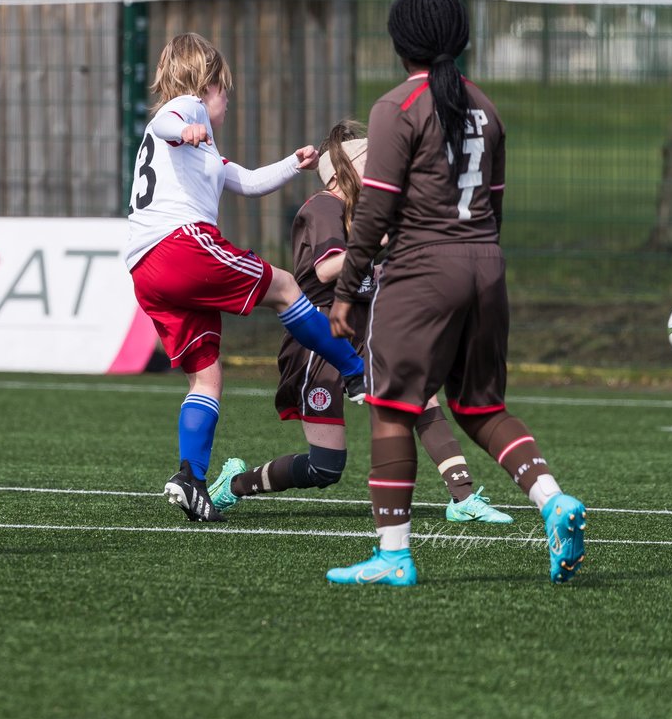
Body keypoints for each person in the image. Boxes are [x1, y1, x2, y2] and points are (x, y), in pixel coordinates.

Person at [324, 0, 586, 586]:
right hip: (485, 264)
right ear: (461, 40)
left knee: (392, 407)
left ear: (399, 44)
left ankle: (392, 555)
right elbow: (494, 207)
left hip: (422, 271)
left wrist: (348, 291)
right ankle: (552, 500)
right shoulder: (486, 108)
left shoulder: (397, 106)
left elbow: (376, 212)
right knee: (480, 405)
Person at [209, 121, 512, 525]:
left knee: (422, 396)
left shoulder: (365, 212)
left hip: (366, 333)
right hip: (320, 342)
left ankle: (463, 496)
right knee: (325, 468)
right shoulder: (323, 207)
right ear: (344, 171)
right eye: (373, 163)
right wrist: (381, 242)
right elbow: (328, 269)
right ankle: (235, 484)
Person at [125, 32, 369, 524]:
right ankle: (352, 368)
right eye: (225, 91)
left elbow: (247, 181)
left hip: (145, 267)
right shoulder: (185, 110)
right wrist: (186, 127)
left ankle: (190, 478)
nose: (227, 101)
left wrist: (291, 165)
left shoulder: (203, 150)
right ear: (205, 83)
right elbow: (173, 118)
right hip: (179, 245)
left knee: (207, 376)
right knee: (284, 287)